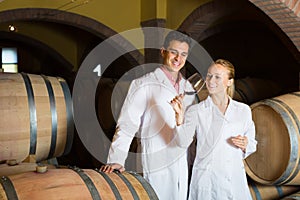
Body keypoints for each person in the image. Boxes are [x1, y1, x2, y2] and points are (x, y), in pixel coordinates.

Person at [100, 30, 196, 200]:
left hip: (181, 162)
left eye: (183, 54)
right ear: (163, 51)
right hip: (155, 160)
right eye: (173, 52)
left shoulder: (188, 88)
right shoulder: (144, 84)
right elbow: (127, 125)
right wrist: (117, 160)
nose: (177, 59)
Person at [170, 59, 257, 200]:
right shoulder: (196, 110)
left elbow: (252, 143)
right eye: (209, 75)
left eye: (217, 77)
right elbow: (182, 143)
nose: (211, 80)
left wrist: (246, 144)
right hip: (207, 181)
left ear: (229, 81)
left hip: (234, 181)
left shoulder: (243, 110)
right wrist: (179, 118)